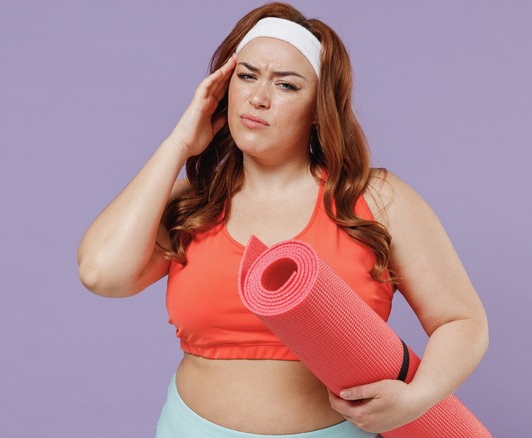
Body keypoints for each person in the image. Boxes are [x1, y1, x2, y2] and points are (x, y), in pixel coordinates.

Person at [77, 2, 489, 437]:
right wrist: (179, 143)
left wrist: (416, 400)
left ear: (317, 108)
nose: (258, 97)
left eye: (287, 85)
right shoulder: (193, 201)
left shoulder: (372, 199)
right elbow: (102, 274)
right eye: (247, 75)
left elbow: (462, 322)